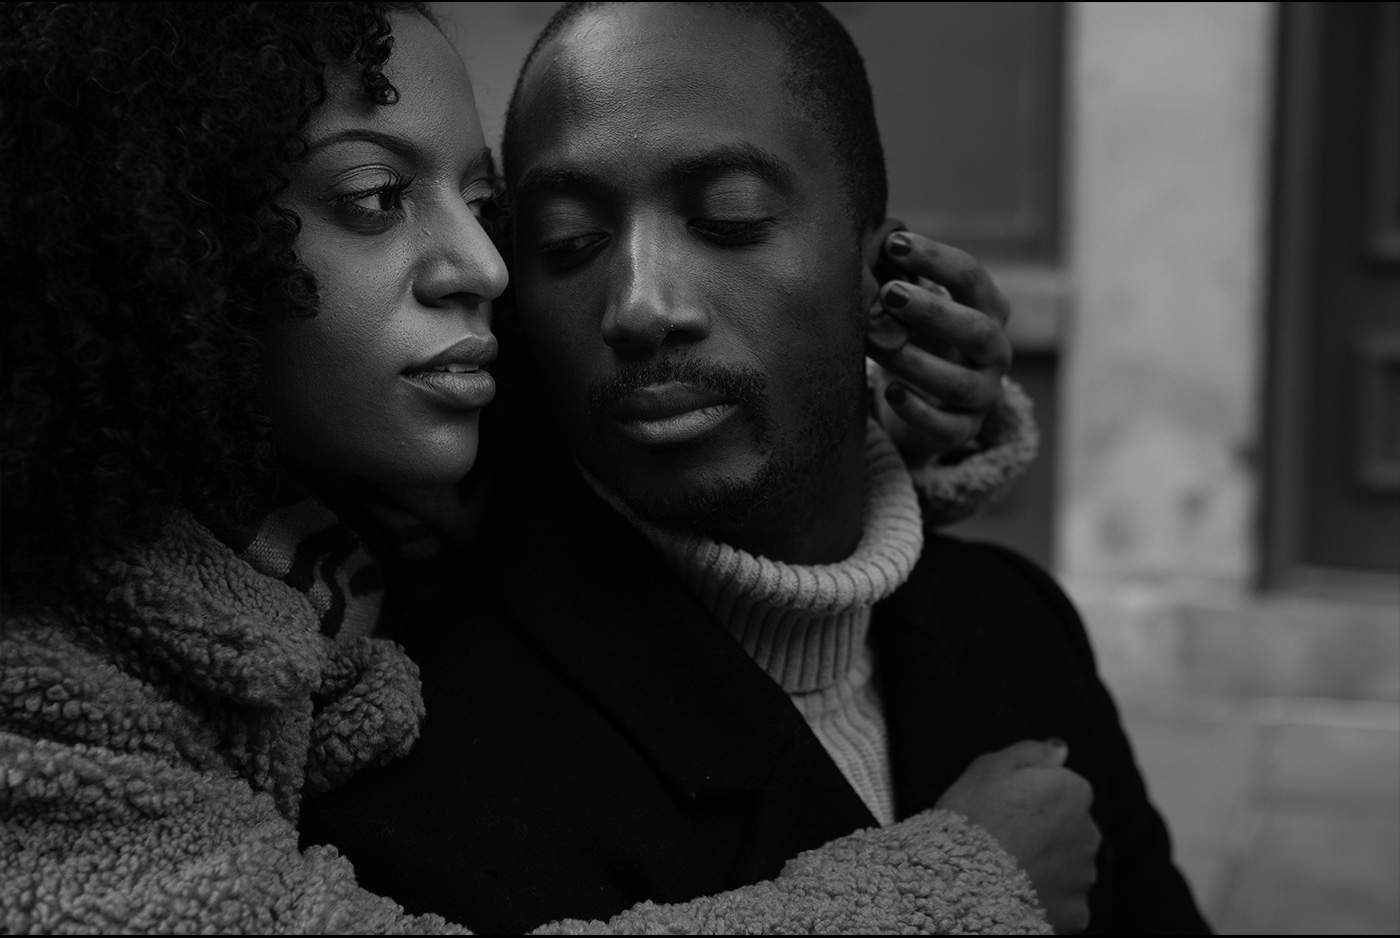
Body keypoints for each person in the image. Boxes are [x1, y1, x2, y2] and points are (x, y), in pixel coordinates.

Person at [2, 2, 1053, 933]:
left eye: (488, 209)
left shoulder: (358, 478)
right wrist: (955, 890)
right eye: (376, 195)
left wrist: (885, 414)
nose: (485, 266)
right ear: (153, 230)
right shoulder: (44, 687)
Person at [298, 3, 1212, 935]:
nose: (640, 306)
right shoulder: (433, 767)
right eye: (569, 243)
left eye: (727, 220)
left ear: (878, 273)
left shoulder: (1022, 632)